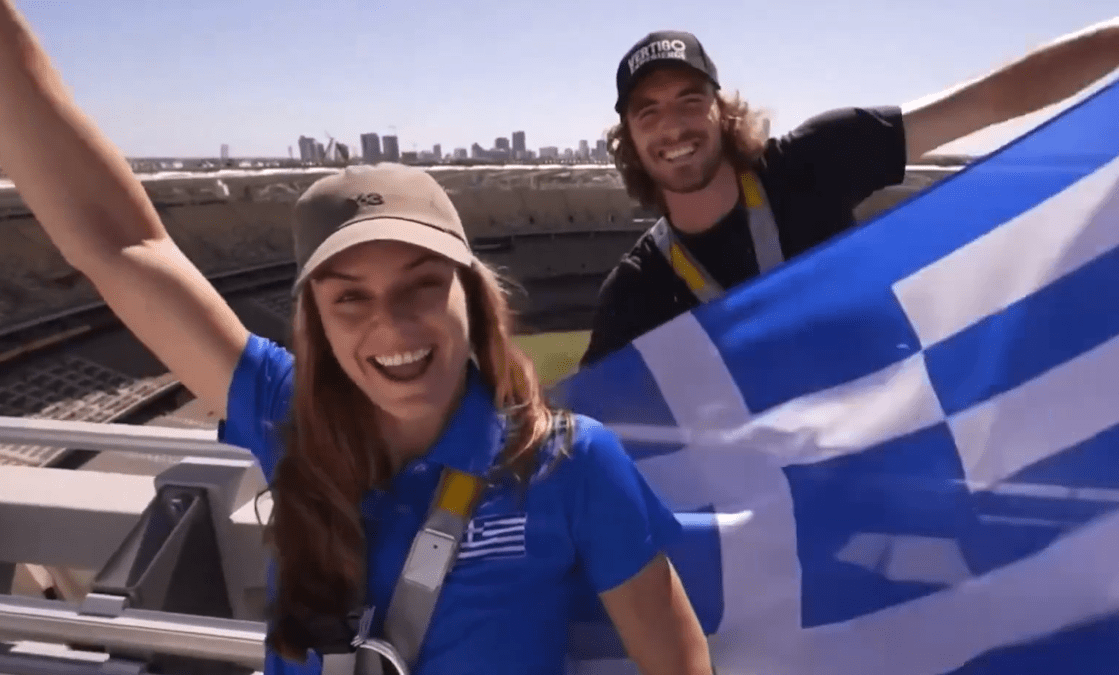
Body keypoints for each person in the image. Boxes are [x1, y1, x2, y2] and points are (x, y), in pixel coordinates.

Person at [0, 3, 711, 675]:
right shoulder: (289, 412)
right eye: (350, 297)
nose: (392, 324)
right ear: (315, 320)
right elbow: (119, 242)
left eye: (421, 284)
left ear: (471, 295)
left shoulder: (568, 462)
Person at [579, 1, 1119, 366]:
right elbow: (579, 440)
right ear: (628, 137)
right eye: (648, 112)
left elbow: (994, 97)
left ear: (722, 110)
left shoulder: (813, 163)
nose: (673, 127)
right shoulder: (637, 292)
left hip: (911, 474)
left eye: (690, 100)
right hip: (780, 535)